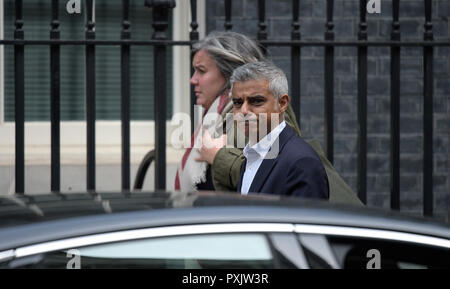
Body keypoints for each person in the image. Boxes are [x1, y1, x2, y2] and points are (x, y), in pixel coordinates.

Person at [174, 31, 301, 192]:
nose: (193, 80)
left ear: (229, 74)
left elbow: (277, 173)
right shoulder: (218, 116)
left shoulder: (263, 110)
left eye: (202, 71)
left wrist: (219, 156)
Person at [231, 61, 329, 198]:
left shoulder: (302, 163)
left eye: (257, 101)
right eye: (237, 102)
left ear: (282, 103)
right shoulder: (250, 155)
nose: (244, 110)